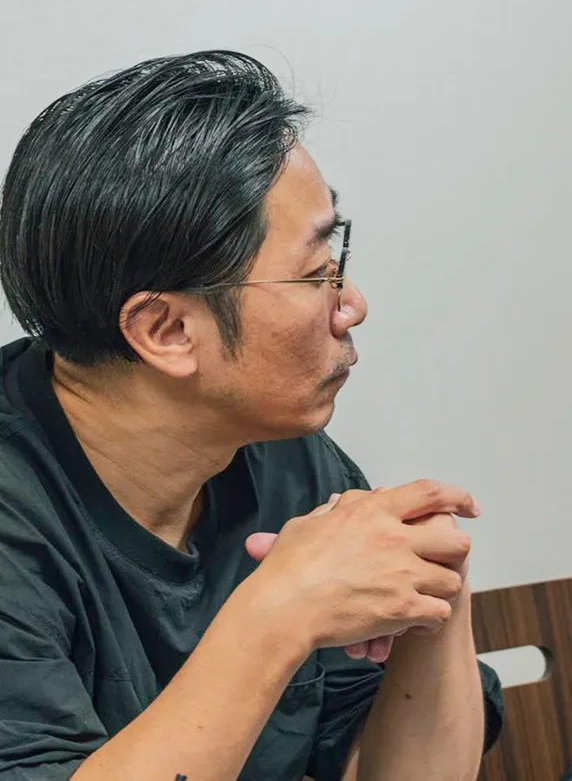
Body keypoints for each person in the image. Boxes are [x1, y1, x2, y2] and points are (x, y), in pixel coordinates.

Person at [0, 50, 502, 781]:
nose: (352, 304)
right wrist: (279, 615)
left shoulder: (274, 450)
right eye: (316, 274)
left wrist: (433, 595)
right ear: (168, 330)